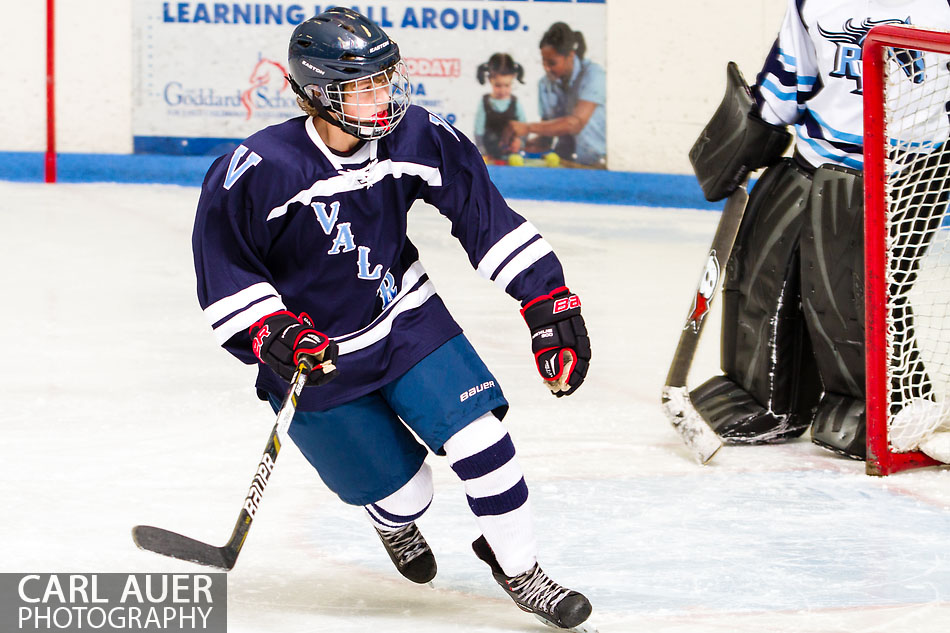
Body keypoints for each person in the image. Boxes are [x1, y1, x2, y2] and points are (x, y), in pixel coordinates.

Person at [191, 7, 593, 630]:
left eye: (386, 78)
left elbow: (484, 216)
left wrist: (545, 300)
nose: (384, 95)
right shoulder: (259, 170)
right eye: (364, 86)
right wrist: (272, 333)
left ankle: (521, 569)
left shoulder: (417, 136)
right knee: (411, 493)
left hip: (404, 316)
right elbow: (226, 275)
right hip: (316, 357)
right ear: (320, 94)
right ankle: (392, 516)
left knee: (482, 438)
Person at [688, 0, 950, 461]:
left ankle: (880, 406)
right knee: (762, 270)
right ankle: (767, 398)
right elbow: (791, 76)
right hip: (812, 156)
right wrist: (747, 137)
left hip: (903, 171)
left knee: (850, 292)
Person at [503, 22, 606, 168]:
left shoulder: (594, 75)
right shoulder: (545, 84)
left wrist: (528, 127)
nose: (547, 68)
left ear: (570, 56)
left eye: (552, 63)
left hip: (597, 166)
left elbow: (575, 124)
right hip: (565, 163)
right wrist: (520, 145)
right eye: (544, 62)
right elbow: (546, 138)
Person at [474, 53, 527, 161]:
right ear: (490, 80)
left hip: (512, 156)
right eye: (498, 85)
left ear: (513, 78)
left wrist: (520, 142)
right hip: (490, 157)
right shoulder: (484, 102)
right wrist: (482, 152)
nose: (503, 91)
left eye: (507, 85)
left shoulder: (515, 103)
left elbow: (524, 129)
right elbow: (478, 132)